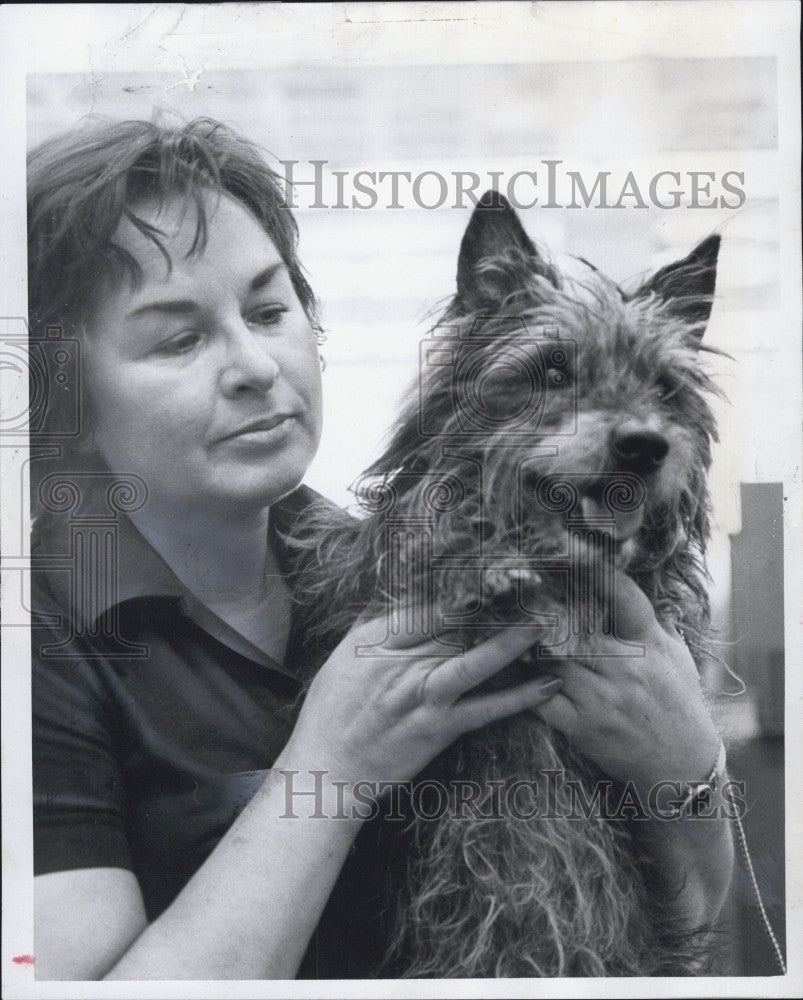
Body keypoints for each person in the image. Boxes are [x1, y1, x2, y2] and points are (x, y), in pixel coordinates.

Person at [28, 117, 734, 980]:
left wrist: (685, 769)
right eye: (179, 337)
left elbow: (688, 923)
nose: (255, 364)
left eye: (268, 309)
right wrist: (333, 766)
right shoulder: (39, 646)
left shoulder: (402, 568)